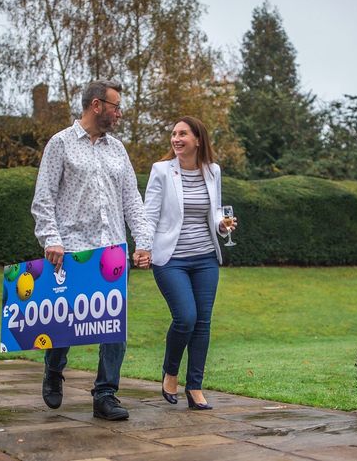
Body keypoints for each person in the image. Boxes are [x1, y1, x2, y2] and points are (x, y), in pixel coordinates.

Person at [31, 79, 152, 421]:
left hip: (112, 254)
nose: (119, 113)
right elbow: (44, 199)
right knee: (63, 325)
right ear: (96, 105)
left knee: (115, 328)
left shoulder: (118, 150)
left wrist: (142, 243)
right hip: (71, 251)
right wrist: (50, 238)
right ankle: (54, 370)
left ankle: (105, 394)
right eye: (116, 106)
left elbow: (132, 201)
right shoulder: (61, 144)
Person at [143, 116, 238, 410]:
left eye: (183, 133)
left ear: (198, 139)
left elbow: (215, 212)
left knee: (203, 323)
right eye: (173, 134)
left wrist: (223, 226)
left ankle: (194, 386)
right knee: (185, 318)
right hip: (170, 259)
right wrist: (143, 247)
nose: (176, 138)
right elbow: (149, 213)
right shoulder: (161, 171)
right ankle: (170, 373)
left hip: (206, 258)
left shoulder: (213, 171)